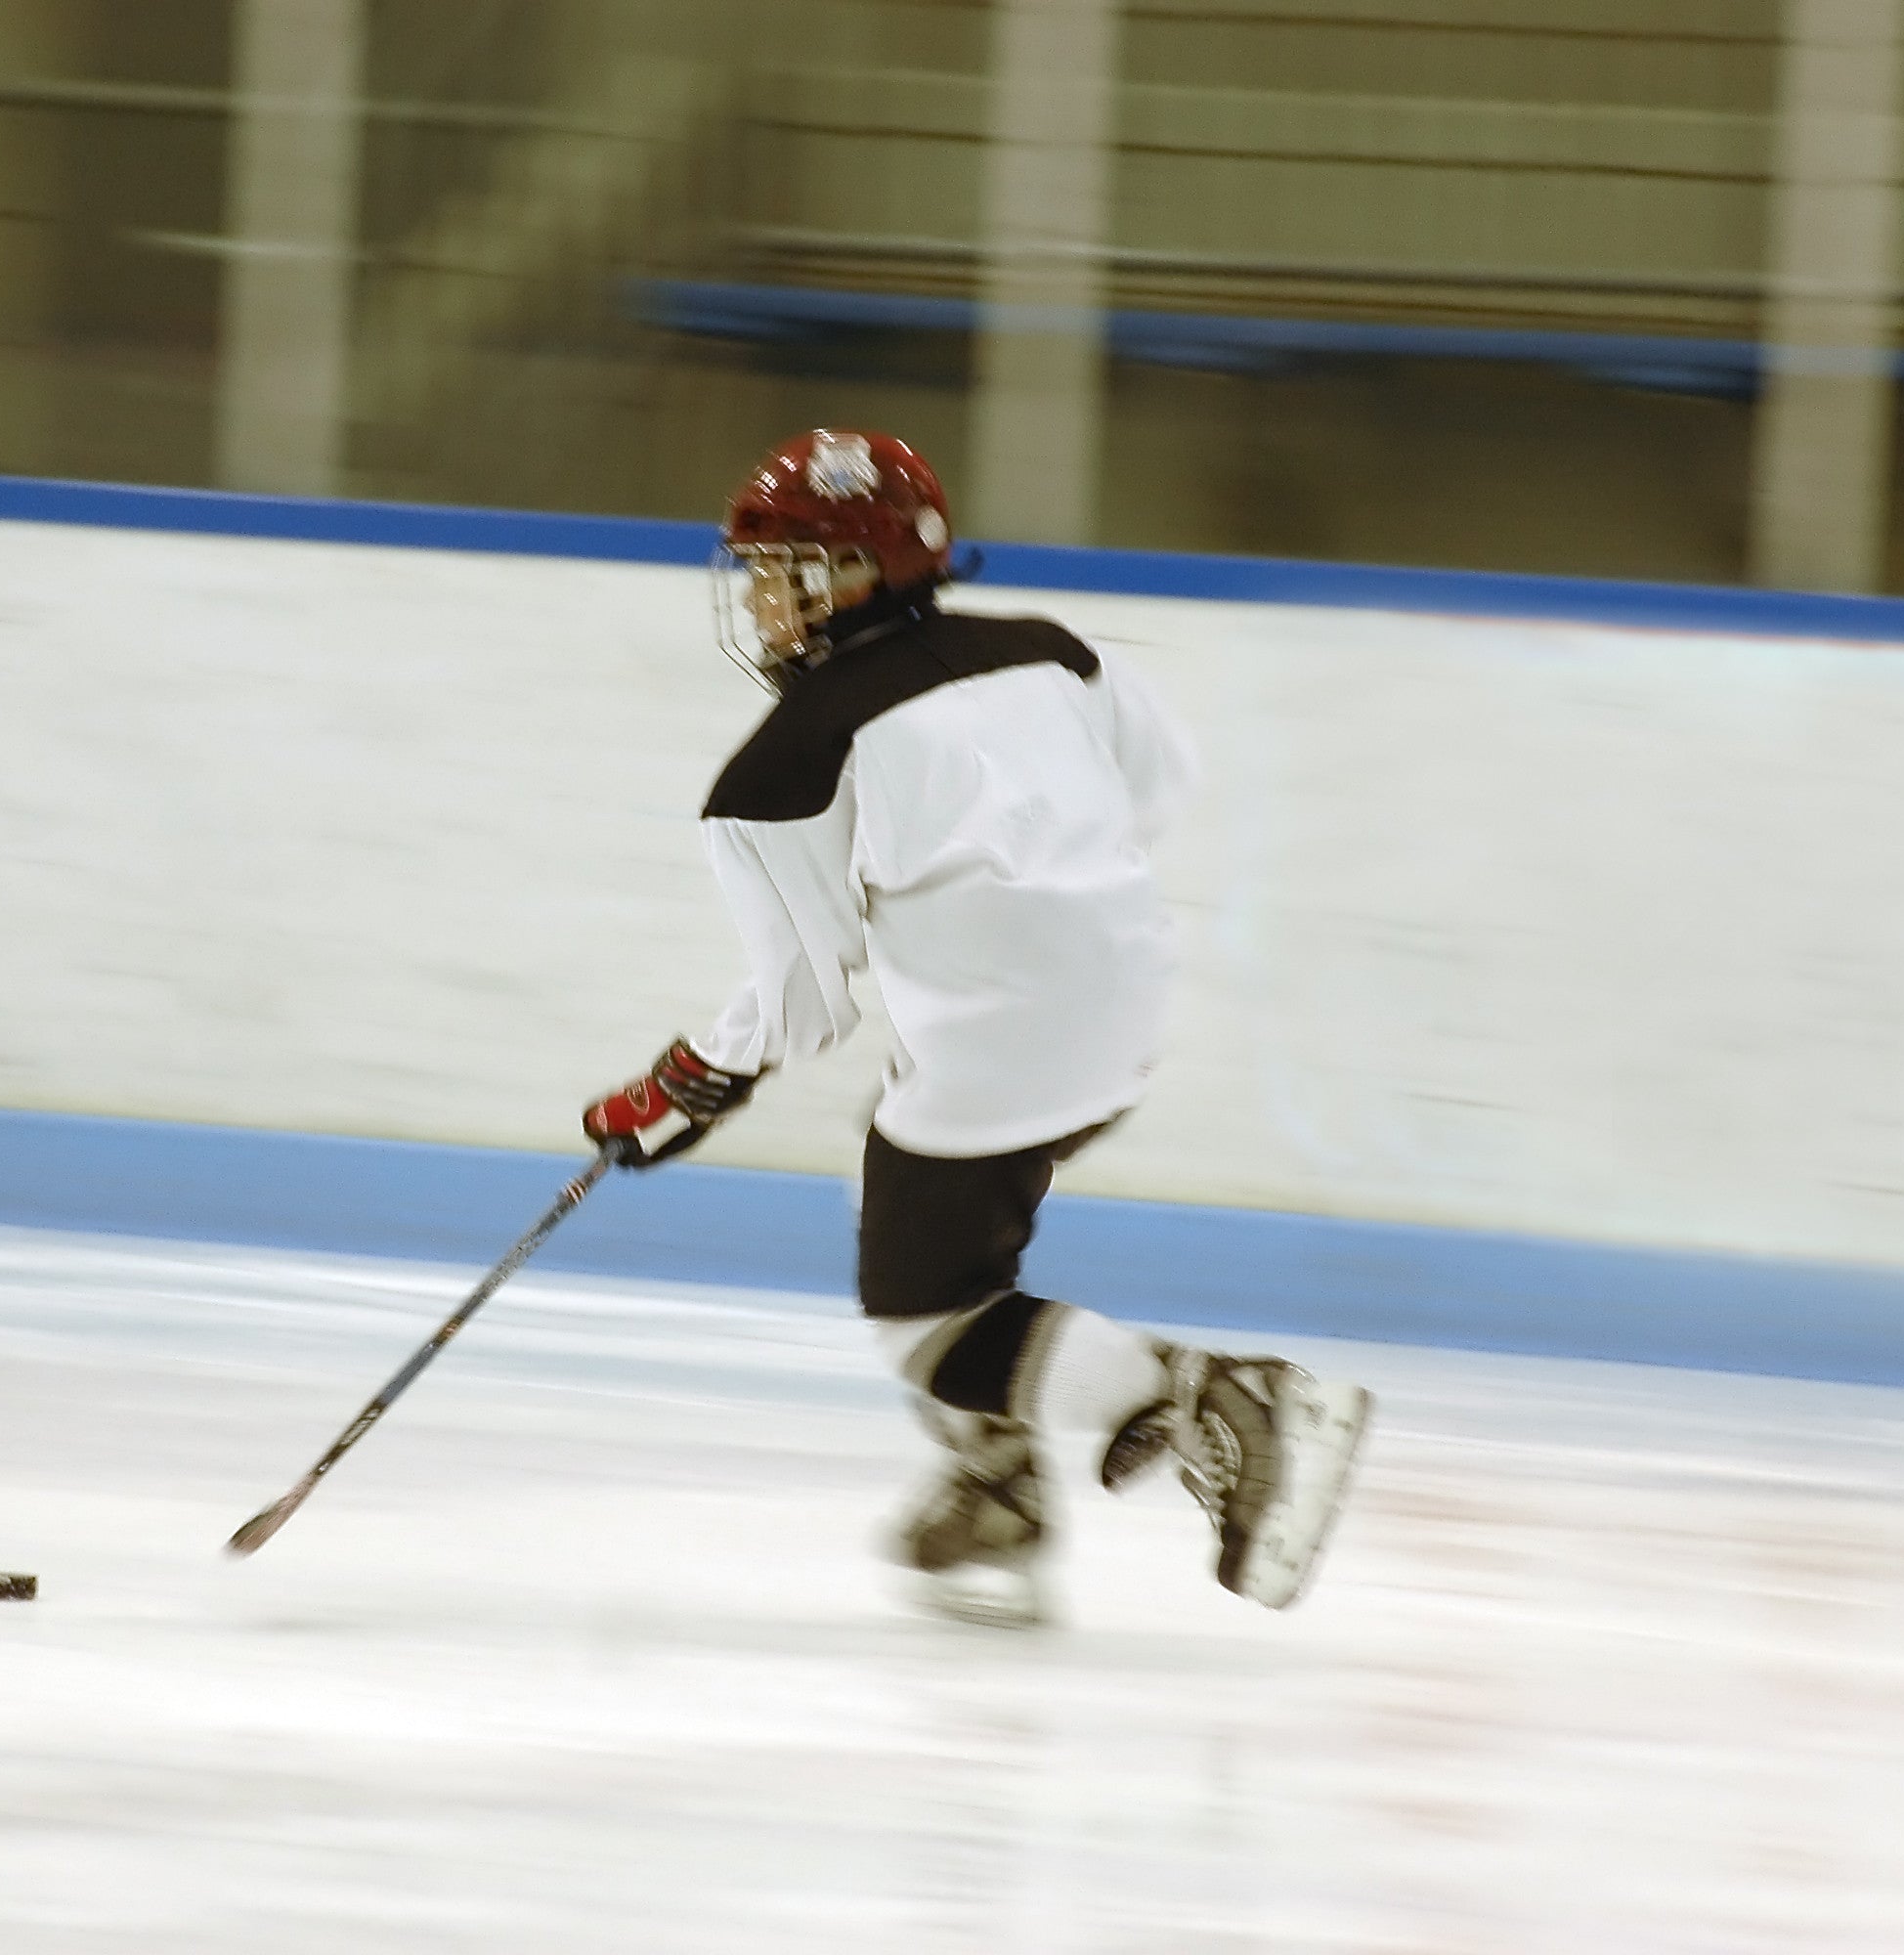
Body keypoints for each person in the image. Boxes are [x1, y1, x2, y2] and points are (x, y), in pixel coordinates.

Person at [580, 428, 1371, 1624]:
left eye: (787, 568)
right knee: (907, 1202)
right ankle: (998, 1480)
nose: (760, 598)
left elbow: (804, 999)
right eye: (755, 571)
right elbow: (1160, 786)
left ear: (867, 569)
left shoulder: (779, 769)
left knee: (925, 1318)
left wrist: (688, 1081)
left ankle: (1211, 1392)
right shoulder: (1052, 650)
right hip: (1125, 999)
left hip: (996, 1041)